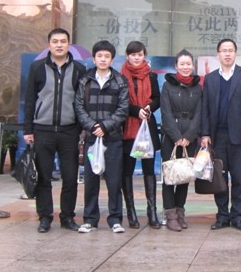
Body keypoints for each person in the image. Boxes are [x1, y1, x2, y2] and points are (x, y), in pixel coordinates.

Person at [23, 28, 86, 233]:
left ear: (69, 44)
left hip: (69, 131)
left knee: (70, 177)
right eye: (55, 41)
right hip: (43, 130)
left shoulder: (78, 69)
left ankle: (67, 217)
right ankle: (45, 217)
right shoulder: (37, 67)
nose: (59, 45)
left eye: (63, 41)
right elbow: (30, 99)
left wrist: (80, 129)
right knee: (43, 177)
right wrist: (28, 129)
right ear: (49, 44)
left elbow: (81, 101)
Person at [201, 38, 241, 231]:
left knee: (240, 178)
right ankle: (222, 216)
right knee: (220, 178)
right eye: (224, 50)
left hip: (240, 136)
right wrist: (205, 133)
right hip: (217, 136)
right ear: (218, 54)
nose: (227, 54)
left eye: (231, 50)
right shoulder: (210, 78)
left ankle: (238, 216)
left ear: (235, 53)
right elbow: (205, 108)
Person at [74, 40, 129, 234]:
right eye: (100, 56)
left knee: (114, 181)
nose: (103, 59)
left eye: (107, 56)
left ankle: (115, 219)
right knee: (91, 181)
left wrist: (105, 126)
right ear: (94, 58)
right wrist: (92, 126)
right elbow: (79, 107)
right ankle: (90, 219)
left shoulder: (120, 81)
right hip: (91, 139)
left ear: (112, 59)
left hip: (113, 139)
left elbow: (123, 109)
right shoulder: (85, 80)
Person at [120, 41, 161, 229]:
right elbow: (120, 102)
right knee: (127, 171)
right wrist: (136, 110)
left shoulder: (151, 76)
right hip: (128, 128)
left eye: (139, 54)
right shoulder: (120, 77)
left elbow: (157, 99)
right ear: (127, 56)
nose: (136, 58)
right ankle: (131, 213)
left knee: (148, 170)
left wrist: (148, 108)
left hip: (146, 127)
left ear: (145, 55)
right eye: (133, 54)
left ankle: (152, 212)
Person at [160, 50, 202, 231]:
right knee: (170, 177)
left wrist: (189, 136)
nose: (185, 67)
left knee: (184, 176)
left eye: (188, 64)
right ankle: (170, 216)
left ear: (193, 66)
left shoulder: (198, 88)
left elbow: (199, 113)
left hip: (189, 137)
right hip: (170, 137)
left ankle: (180, 213)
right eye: (182, 64)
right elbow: (165, 113)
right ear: (176, 66)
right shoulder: (167, 86)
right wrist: (177, 137)